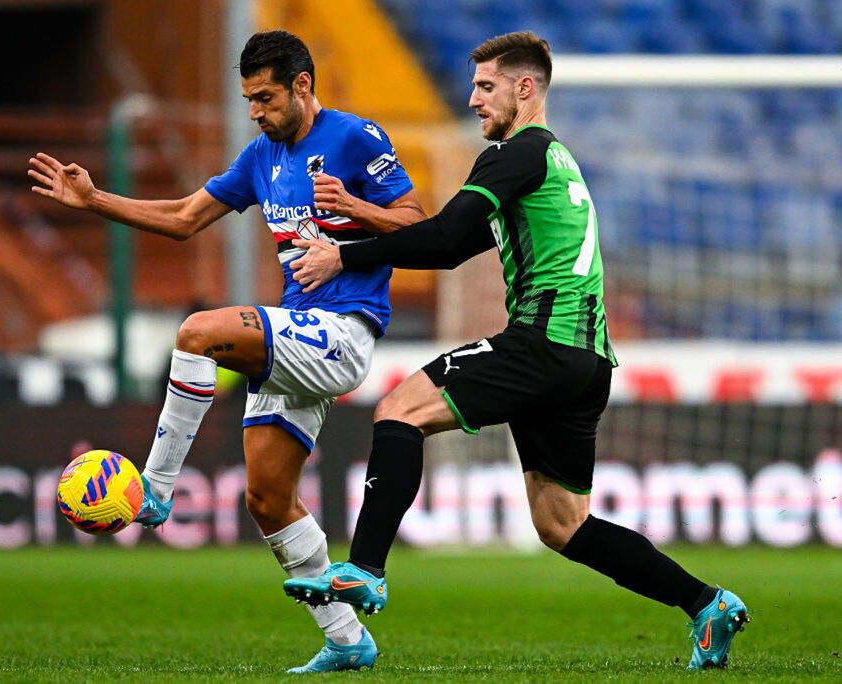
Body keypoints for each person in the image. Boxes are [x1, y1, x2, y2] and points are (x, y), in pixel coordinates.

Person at [282, 31, 749, 671]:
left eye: (485, 87)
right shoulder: (555, 160)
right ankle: (707, 604)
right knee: (564, 526)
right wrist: (364, 211)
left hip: (542, 344)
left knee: (398, 411)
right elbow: (456, 241)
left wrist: (344, 252)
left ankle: (364, 569)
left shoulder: (516, 153)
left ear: (524, 88)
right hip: (587, 362)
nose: (473, 100)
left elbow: (445, 243)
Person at [29, 30, 425, 672]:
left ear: (302, 85)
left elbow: (417, 222)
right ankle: (348, 640)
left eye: (265, 98)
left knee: (196, 332)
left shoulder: (355, 138)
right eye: (248, 100)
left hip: (343, 331)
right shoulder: (261, 155)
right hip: (296, 337)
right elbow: (186, 218)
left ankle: (154, 490)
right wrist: (94, 199)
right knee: (267, 498)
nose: (255, 112)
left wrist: (353, 208)